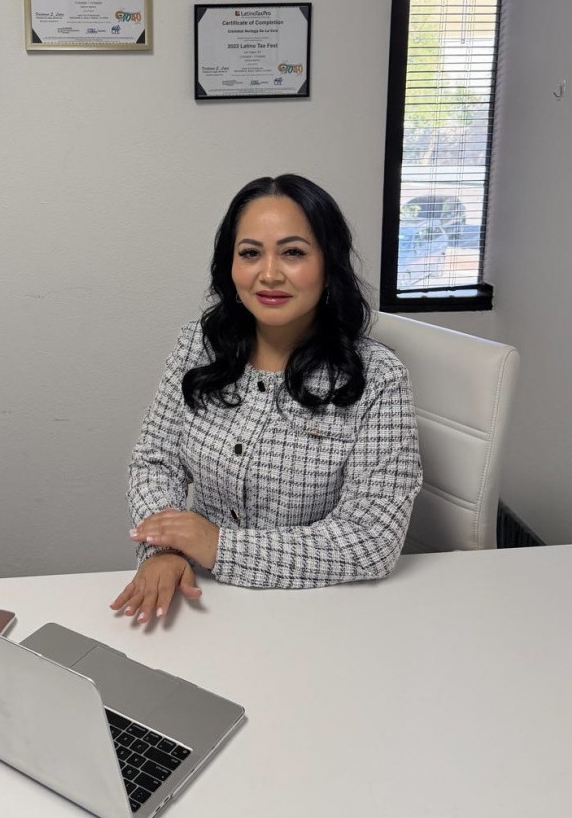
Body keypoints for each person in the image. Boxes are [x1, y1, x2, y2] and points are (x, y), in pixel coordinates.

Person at [110, 174, 422, 624]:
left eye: (293, 253)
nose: (269, 274)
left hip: (321, 610)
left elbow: (371, 540)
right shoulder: (199, 346)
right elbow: (155, 461)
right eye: (250, 253)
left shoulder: (379, 378)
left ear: (329, 264)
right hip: (201, 598)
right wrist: (166, 549)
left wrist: (218, 546)